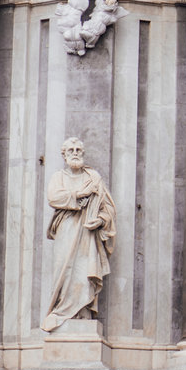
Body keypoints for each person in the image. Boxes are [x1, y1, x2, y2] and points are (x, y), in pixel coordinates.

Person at [42, 137, 117, 332]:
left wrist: (100, 220)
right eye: (71, 150)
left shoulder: (93, 177)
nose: (75, 153)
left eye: (78, 150)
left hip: (87, 232)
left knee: (84, 272)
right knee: (64, 270)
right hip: (66, 229)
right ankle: (61, 310)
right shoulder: (58, 177)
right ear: (64, 155)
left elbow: (108, 207)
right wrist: (79, 195)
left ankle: (82, 311)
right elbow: (53, 197)